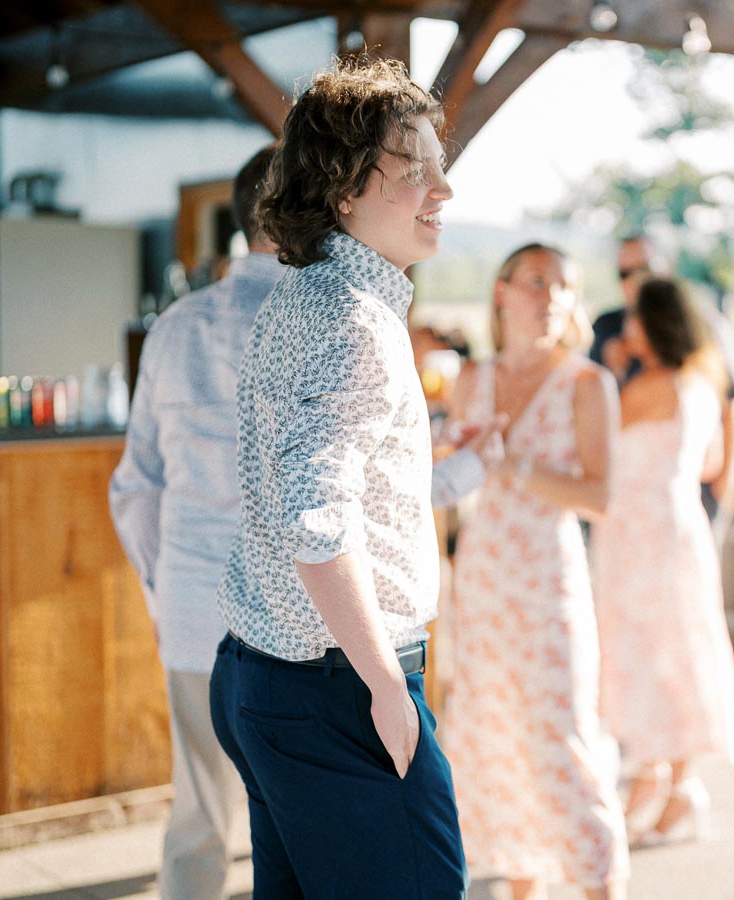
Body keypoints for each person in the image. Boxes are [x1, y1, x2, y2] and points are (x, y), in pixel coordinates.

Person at [209, 60, 483, 898]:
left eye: (441, 165)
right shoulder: (357, 321)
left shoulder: (303, 296)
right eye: (413, 172)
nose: (443, 189)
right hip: (335, 687)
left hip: (264, 674)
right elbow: (318, 519)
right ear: (340, 190)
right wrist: (382, 687)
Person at [109, 145, 279, 900]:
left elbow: (135, 487)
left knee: (199, 814)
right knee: (296, 821)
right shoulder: (331, 318)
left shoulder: (175, 326)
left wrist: (161, 590)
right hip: (295, 618)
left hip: (191, 604)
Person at [441, 243, 629, 900]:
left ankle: (600, 885)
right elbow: (452, 486)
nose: (551, 297)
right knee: (494, 745)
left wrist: (511, 465)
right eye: (537, 282)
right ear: (503, 292)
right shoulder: (471, 381)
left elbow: (601, 497)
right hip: (482, 581)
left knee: (563, 743)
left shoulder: (586, 383)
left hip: (548, 583)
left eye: (565, 286)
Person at [590, 276, 734, 847]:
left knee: (645, 654)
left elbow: (595, 448)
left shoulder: (642, 387)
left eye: (634, 317)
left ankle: (669, 789)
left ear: (654, 324)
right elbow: (711, 464)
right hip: (679, 527)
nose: (626, 327)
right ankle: (671, 784)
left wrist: (608, 373)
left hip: (637, 535)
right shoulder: (702, 383)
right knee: (677, 653)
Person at [590, 235, 734, 545]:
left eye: (645, 267)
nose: (636, 280)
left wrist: (725, 494)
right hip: (625, 503)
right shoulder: (607, 327)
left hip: (691, 496)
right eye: (625, 273)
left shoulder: (704, 325)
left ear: (666, 267)